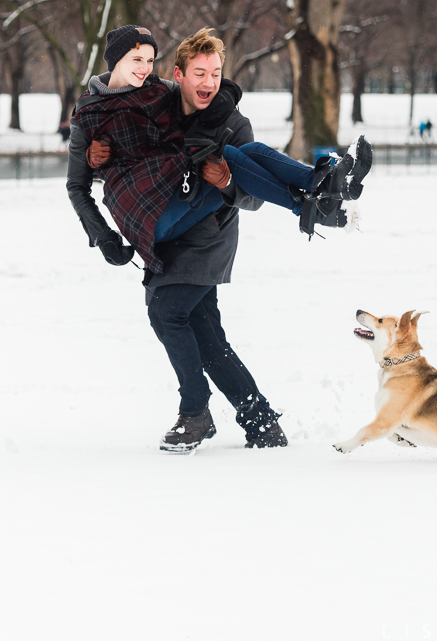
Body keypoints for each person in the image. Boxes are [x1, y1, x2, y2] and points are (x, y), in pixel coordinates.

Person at [67, 25, 372, 453]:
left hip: (208, 234)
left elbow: (250, 198)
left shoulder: (222, 116)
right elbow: (111, 166)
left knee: (168, 311)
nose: (207, 83)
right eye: (198, 73)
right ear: (180, 76)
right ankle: (261, 422)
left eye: (215, 74)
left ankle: (196, 413)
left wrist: (227, 182)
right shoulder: (147, 101)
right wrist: (98, 186)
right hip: (162, 218)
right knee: (206, 336)